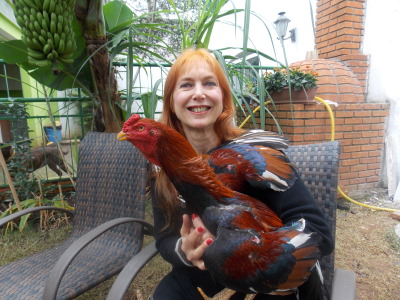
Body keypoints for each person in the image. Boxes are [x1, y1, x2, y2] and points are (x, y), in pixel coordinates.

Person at [150, 48, 334, 300]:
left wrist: (259, 254)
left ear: (224, 97)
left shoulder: (251, 154)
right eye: (186, 85)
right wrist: (184, 249)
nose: (199, 93)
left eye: (209, 83)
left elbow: (318, 233)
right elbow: (163, 239)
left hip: (266, 275)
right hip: (204, 273)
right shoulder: (165, 171)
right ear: (171, 101)